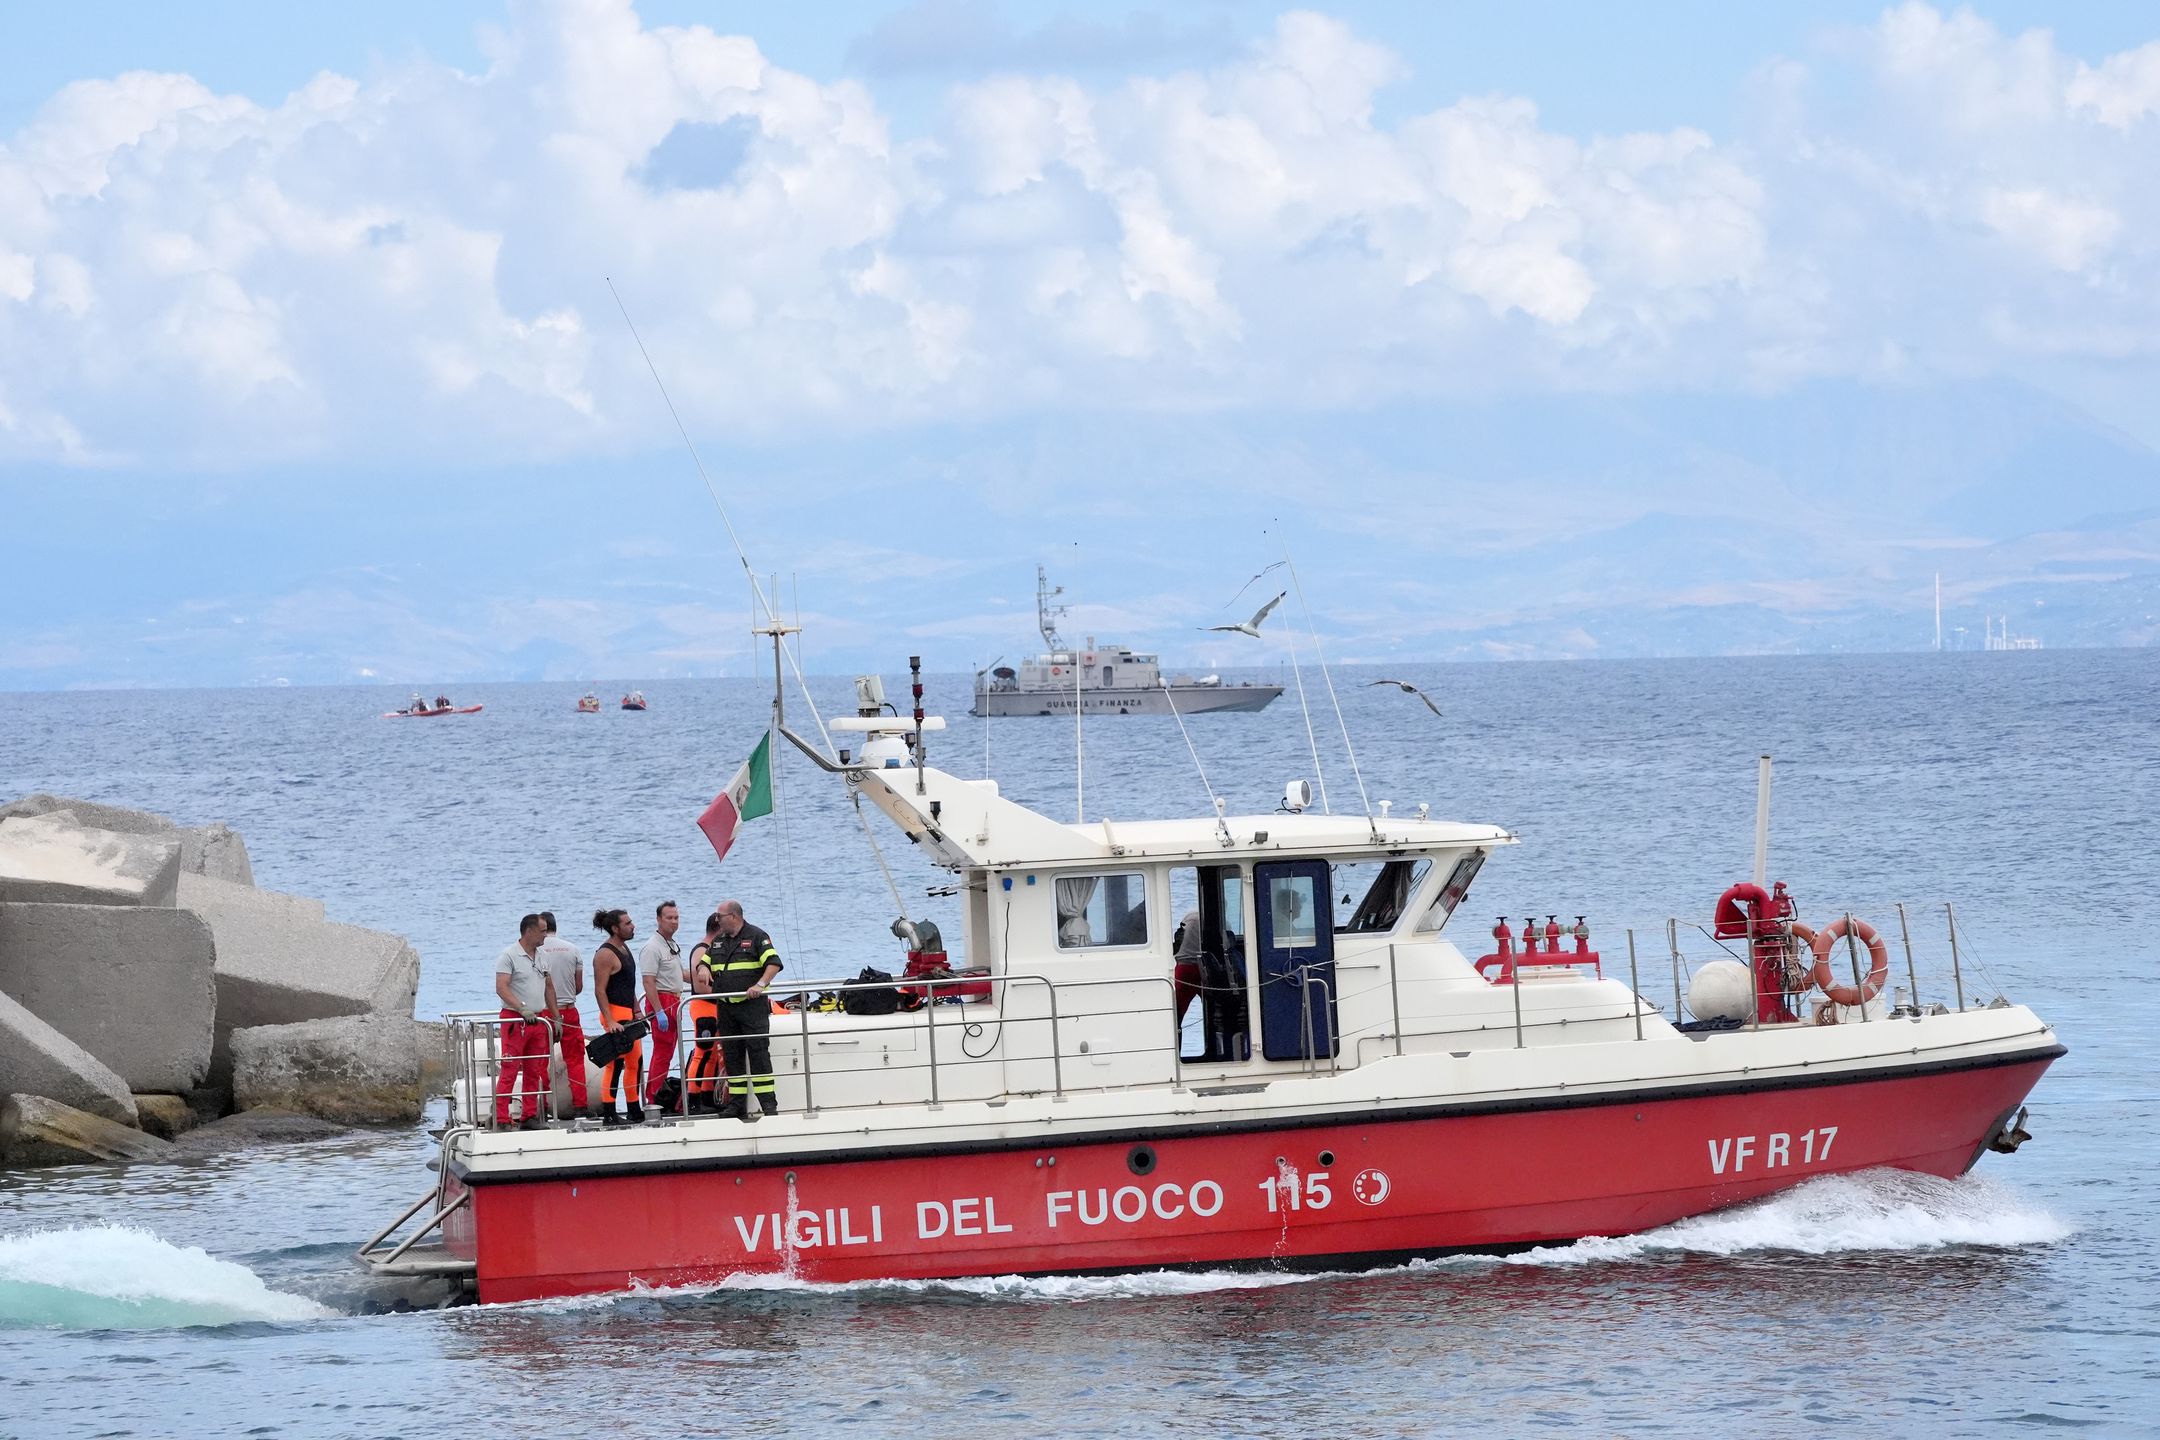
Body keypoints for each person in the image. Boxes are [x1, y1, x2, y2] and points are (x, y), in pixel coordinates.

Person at [704, 900, 782, 1121]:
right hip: (726, 1008)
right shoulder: (719, 941)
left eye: (720, 916)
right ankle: (736, 1104)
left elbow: (774, 963)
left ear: (734, 917)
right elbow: (706, 961)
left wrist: (760, 985)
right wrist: (702, 969)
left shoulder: (757, 936)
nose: (717, 920)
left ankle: (768, 1105)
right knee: (732, 1056)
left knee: (759, 1055)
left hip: (751, 1008)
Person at [493, 915, 559, 1131]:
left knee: (535, 1069)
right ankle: (502, 1117)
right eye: (542, 931)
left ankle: (529, 1115)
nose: (545, 935)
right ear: (529, 931)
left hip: (538, 1019)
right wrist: (521, 1007)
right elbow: (502, 987)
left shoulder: (541, 956)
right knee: (510, 1068)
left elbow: (548, 986)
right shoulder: (509, 955)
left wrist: (556, 1017)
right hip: (515, 1019)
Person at [590, 908, 645, 1125]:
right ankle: (609, 1113)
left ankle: (634, 1108)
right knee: (615, 1065)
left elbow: (628, 984)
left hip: (628, 1013)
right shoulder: (605, 954)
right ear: (615, 928)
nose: (633, 926)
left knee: (636, 1062)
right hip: (614, 1014)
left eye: (632, 922)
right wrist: (610, 1020)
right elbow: (599, 990)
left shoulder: (624, 947)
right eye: (628, 923)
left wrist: (637, 1009)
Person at [538, 911, 587, 1117]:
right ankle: (581, 1106)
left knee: (540, 1059)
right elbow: (578, 986)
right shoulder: (572, 949)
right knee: (575, 1060)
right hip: (568, 1009)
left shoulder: (535, 951)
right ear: (555, 926)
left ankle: (541, 1105)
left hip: (543, 1011)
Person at [640, 901, 687, 1109]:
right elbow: (648, 981)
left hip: (675, 999)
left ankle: (660, 1093)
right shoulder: (652, 947)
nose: (674, 922)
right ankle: (654, 1096)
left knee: (667, 1053)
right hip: (662, 1000)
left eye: (676, 918)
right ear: (659, 919)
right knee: (662, 1052)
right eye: (669, 918)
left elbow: (679, 973)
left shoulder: (671, 944)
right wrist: (658, 1011)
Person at [683, 911, 726, 1113]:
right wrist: (725, 994)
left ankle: (707, 1096)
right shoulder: (702, 951)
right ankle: (692, 1098)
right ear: (718, 930)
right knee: (702, 1052)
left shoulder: (711, 949)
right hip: (703, 1006)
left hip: (714, 1005)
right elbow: (700, 986)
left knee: (712, 1055)